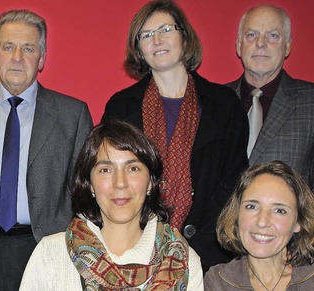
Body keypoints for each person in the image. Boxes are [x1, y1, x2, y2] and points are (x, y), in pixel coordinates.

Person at [0, 9, 93, 290]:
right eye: (8, 47)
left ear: (42, 58)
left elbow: (84, 196)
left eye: (28, 48)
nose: (17, 57)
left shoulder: (73, 115)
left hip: (47, 249)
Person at [101, 0, 248, 270]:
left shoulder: (224, 105)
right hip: (135, 252)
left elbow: (234, 184)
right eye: (146, 35)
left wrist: (192, 252)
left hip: (208, 254)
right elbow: (109, 180)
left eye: (165, 30)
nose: (156, 40)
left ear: (184, 36)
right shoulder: (121, 107)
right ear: (139, 49)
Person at [20, 120, 203, 290]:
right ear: (90, 184)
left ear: (150, 182)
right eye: (105, 170)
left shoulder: (183, 260)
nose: (120, 182)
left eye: (133, 168)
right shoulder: (51, 254)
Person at [226, 5, 314, 189]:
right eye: (251, 35)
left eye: (273, 36)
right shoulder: (214, 102)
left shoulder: (310, 102)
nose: (261, 43)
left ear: (288, 46)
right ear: (239, 45)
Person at [204, 161, 314, 290]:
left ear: (299, 222)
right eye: (252, 207)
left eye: (279, 210)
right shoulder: (219, 282)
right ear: (236, 214)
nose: (262, 222)